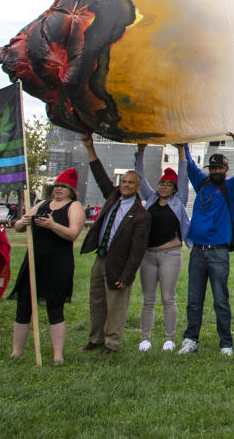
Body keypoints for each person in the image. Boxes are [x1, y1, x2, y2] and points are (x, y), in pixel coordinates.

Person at [178, 133, 234, 356]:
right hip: (198, 251)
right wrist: (183, 144)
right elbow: (189, 164)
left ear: (225, 170)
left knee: (220, 299)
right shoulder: (201, 184)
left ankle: (225, 343)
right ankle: (191, 339)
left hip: (218, 252)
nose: (216, 172)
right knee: (194, 299)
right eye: (213, 169)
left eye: (220, 169)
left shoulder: (230, 188)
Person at [79, 135, 151, 355]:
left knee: (116, 306)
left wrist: (127, 275)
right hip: (100, 258)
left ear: (138, 186)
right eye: (124, 182)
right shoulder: (112, 196)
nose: (126, 185)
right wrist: (90, 147)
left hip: (119, 264)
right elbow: (99, 174)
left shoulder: (141, 215)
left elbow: (138, 251)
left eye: (131, 183)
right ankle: (95, 338)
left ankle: (111, 344)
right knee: (97, 301)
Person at [11, 168, 85, 364]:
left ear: (71, 191)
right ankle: (16, 352)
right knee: (24, 305)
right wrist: (22, 222)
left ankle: (57, 356)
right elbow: (19, 225)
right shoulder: (42, 204)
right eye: (57, 186)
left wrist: (52, 225)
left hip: (57, 263)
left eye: (64, 187)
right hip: (34, 261)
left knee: (55, 307)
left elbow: (73, 234)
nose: (59, 189)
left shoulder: (74, 206)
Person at [134, 143, 191, 352]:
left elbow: (184, 177)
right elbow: (140, 178)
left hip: (170, 255)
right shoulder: (150, 199)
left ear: (174, 188)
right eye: (161, 183)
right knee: (148, 300)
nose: (163, 186)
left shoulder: (179, 202)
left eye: (168, 184)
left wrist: (182, 153)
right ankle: (145, 338)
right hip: (148, 255)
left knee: (168, 297)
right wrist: (141, 152)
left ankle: (169, 338)